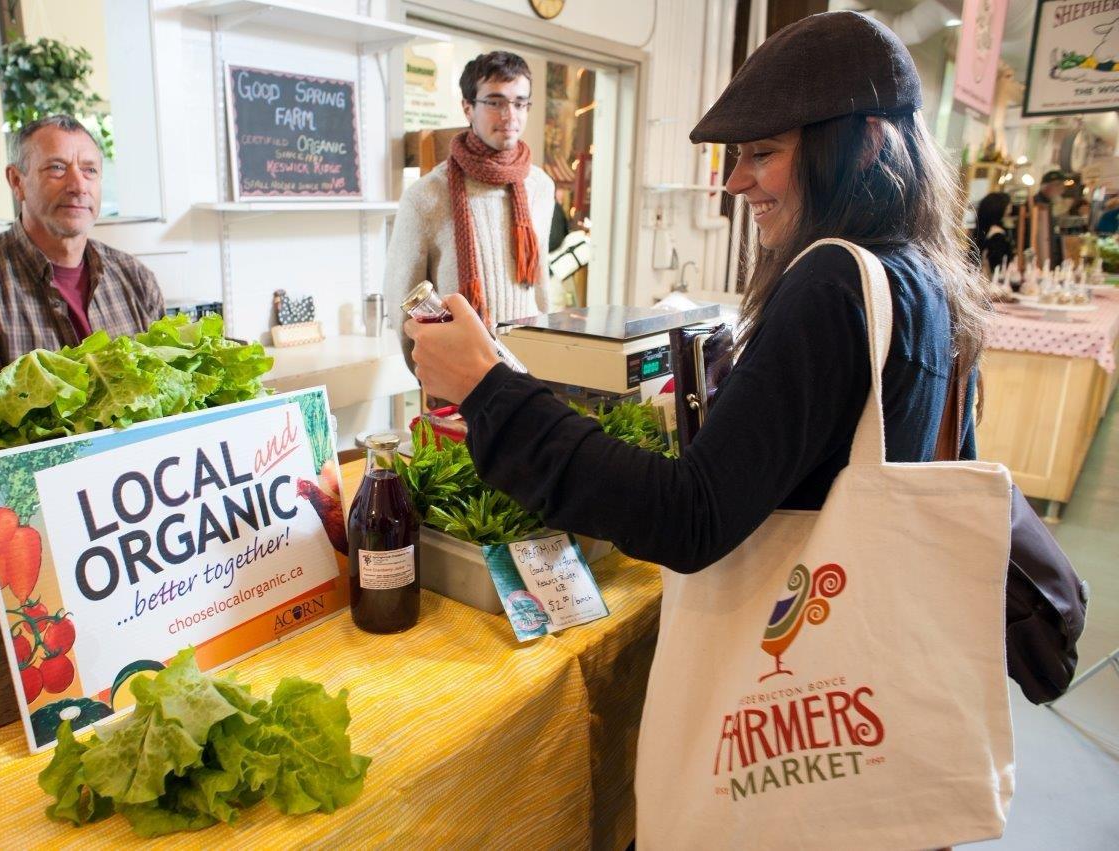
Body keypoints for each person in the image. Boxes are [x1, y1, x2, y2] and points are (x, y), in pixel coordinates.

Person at [405, 12, 986, 835]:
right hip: (869, 704)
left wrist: (491, 388)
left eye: (763, 153)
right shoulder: (921, 276)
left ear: (861, 147)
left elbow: (689, 513)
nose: (737, 183)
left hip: (793, 726)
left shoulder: (830, 282)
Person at [0, 114, 165, 392]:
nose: (78, 185)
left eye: (90, 170)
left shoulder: (137, 280)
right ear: (16, 181)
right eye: (57, 168)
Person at [384, 51, 554, 367]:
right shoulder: (426, 197)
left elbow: (541, 283)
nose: (510, 115)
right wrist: (429, 376)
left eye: (520, 103)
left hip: (532, 369)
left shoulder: (541, 186)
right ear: (468, 108)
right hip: (460, 374)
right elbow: (402, 301)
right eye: (495, 102)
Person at [973, 191, 1013, 275]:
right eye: (1007, 212)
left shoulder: (982, 230)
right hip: (992, 280)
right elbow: (998, 266)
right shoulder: (998, 235)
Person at [1033, 169, 1067, 267]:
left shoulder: (1050, 203)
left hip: (1050, 254)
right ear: (1046, 187)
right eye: (1058, 185)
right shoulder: (1036, 204)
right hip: (1040, 256)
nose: (1062, 189)